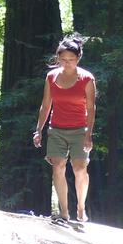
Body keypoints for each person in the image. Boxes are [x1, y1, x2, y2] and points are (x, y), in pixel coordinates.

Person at [32, 35, 95, 223]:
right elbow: (45, 105)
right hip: (56, 129)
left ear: (78, 59)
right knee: (58, 166)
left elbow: (91, 108)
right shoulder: (51, 77)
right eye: (63, 59)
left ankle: (81, 209)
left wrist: (88, 135)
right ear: (58, 58)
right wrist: (39, 130)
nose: (67, 63)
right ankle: (64, 213)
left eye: (71, 60)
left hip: (80, 130)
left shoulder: (87, 79)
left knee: (79, 168)